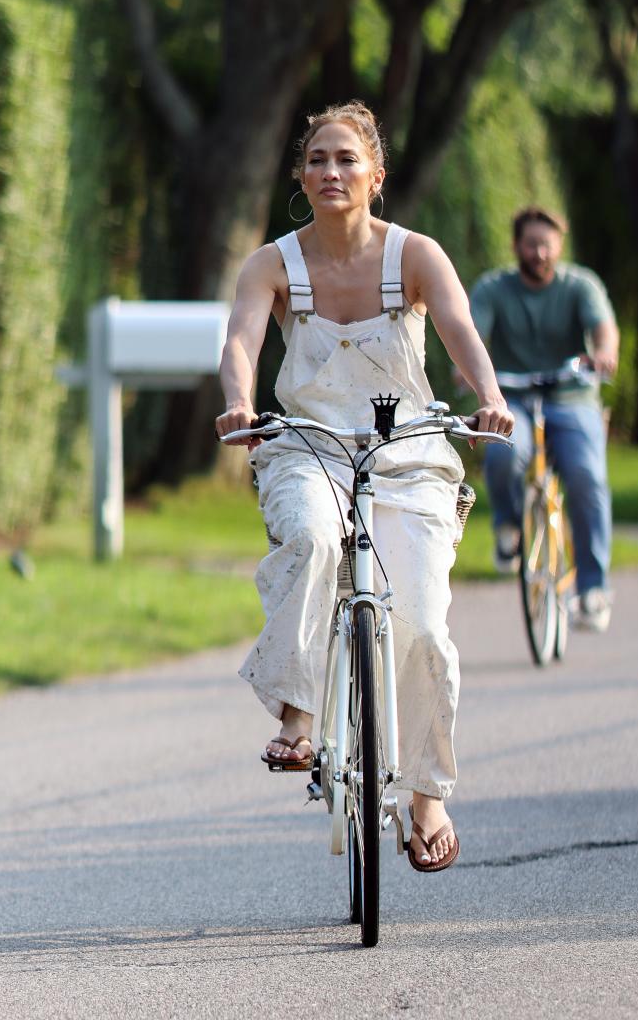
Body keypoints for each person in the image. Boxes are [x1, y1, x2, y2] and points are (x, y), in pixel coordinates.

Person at [215, 101, 513, 872]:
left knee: (423, 619)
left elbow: (459, 331)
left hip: (407, 455)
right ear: (300, 176)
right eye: (317, 159)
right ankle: (301, 712)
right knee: (313, 540)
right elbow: (242, 341)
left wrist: (490, 395)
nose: (331, 172)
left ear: (376, 177)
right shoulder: (272, 263)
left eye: (347, 160)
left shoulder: (415, 255)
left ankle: (426, 793)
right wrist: (241, 403)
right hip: (306, 447)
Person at [468, 206, 619, 632]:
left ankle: (592, 589)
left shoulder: (580, 285)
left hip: (572, 397)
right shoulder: (494, 288)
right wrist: (468, 369)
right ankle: (509, 528)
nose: (539, 252)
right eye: (531, 244)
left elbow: (603, 327)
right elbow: (471, 331)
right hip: (513, 395)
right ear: (516, 246)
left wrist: (604, 353)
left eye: (547, 244)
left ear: (559, 247)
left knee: (587, 476)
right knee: (502, 454)